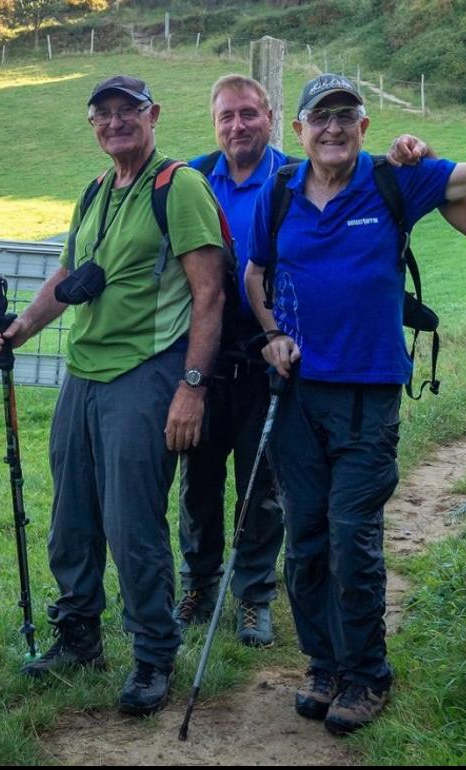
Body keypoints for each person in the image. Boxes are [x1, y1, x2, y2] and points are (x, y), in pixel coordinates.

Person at [243, 73, 466, 735]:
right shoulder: (279, 190)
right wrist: (272, 334)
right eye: (322, 118)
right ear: (301, 130)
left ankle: (368, 673)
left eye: (347, 117)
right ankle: (323, 663)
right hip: (296, 396)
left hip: (367, 394)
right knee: (307, 540)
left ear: (364, 127)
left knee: (353, 537)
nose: (334, 129)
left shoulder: (396, 179)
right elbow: (255, 271)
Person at [0, 75, 225, 716]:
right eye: (104, 114)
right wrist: (20, 329)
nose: (116, 122)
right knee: (72, 515)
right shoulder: (95, 191)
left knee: (132, 523)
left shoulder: (179, 188)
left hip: (146, 375)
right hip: (83, 374)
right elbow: (66, 273)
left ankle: (153, 655)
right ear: (92, 125)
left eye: (129, 112)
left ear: (154, 115)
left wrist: (192, 388)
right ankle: (79, 636)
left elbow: (209, 293)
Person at [175, 74, 291, 647]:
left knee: (260, 483)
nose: (238, 126)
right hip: (205, 356)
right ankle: (198, 582)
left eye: (249, 114)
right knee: (197, 479)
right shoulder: (191, 178)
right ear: (214, 123)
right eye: (227, 117)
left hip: (270, 356)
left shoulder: (294, 176)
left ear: (271, 116)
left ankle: (254, 596)